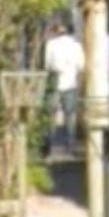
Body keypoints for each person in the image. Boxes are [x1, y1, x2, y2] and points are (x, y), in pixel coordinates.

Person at [42, 24, 85, 153]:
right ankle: (70, 144)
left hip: (54, 83)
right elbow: (81, 66)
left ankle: (49, 142)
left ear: (55, 32)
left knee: (50, 113)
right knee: (70, 114)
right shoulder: (76, 46)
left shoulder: (51, 44)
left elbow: (47, 65)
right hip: (71, 83)